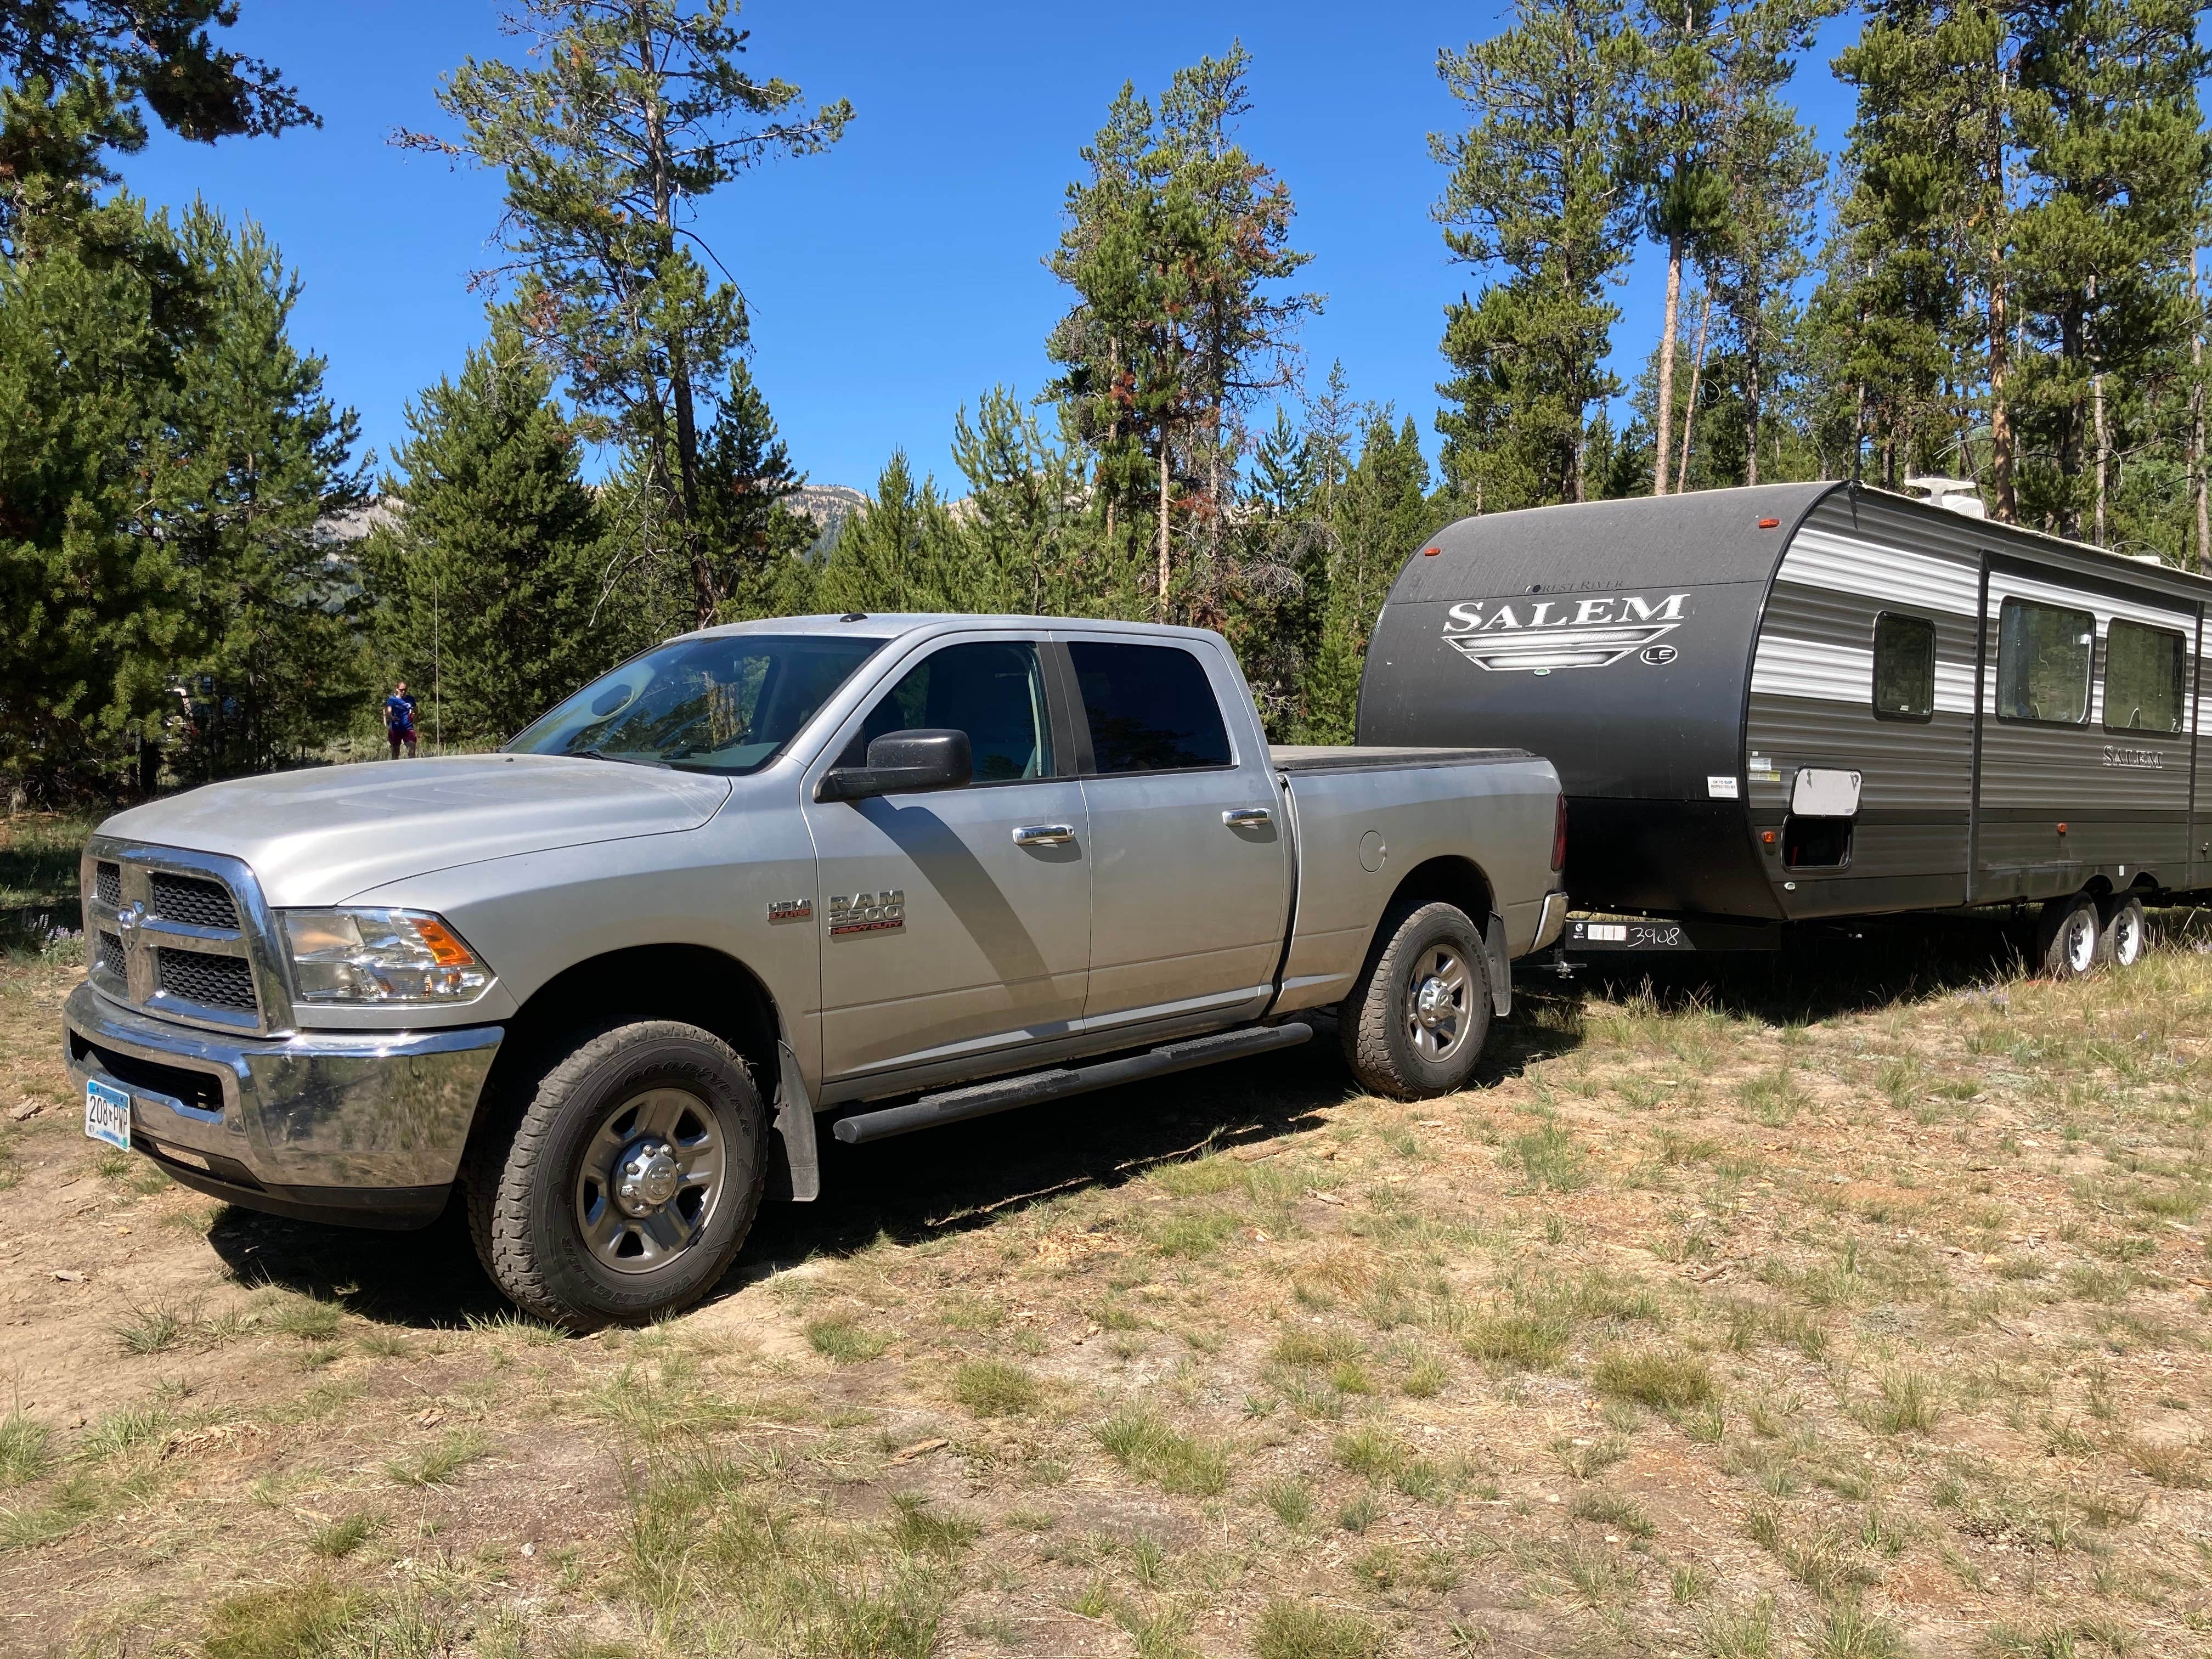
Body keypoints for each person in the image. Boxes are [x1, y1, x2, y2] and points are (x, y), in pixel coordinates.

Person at [384, 681, 419, 760]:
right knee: (395, 753)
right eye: (401, 690)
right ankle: (395, 767)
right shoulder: (392, 700)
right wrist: (394, 718)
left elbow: (416, 711)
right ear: (397, 689)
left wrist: (414, 718)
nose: (403, 691)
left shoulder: (411, 699)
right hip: (395, 729)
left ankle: (413, 767)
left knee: (412, 752)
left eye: (405, 690)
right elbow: (388, 714)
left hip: (408, 729)